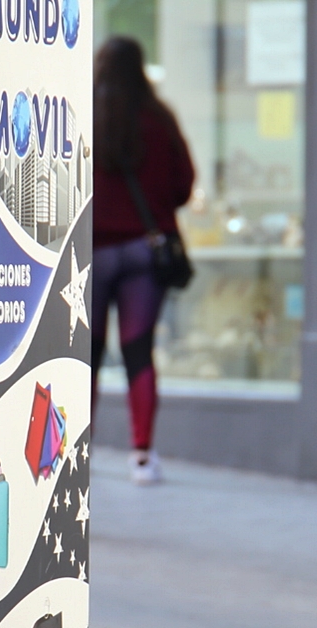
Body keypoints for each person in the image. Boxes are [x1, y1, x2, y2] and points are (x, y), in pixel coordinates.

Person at [92, 36, 195, 485]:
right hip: (143, 253)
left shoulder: (85, 117)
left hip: (90, 252)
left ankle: (78, 451)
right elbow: (184, 185)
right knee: (139, 352)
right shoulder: (159, 119)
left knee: (85, 356)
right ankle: (141, 455)